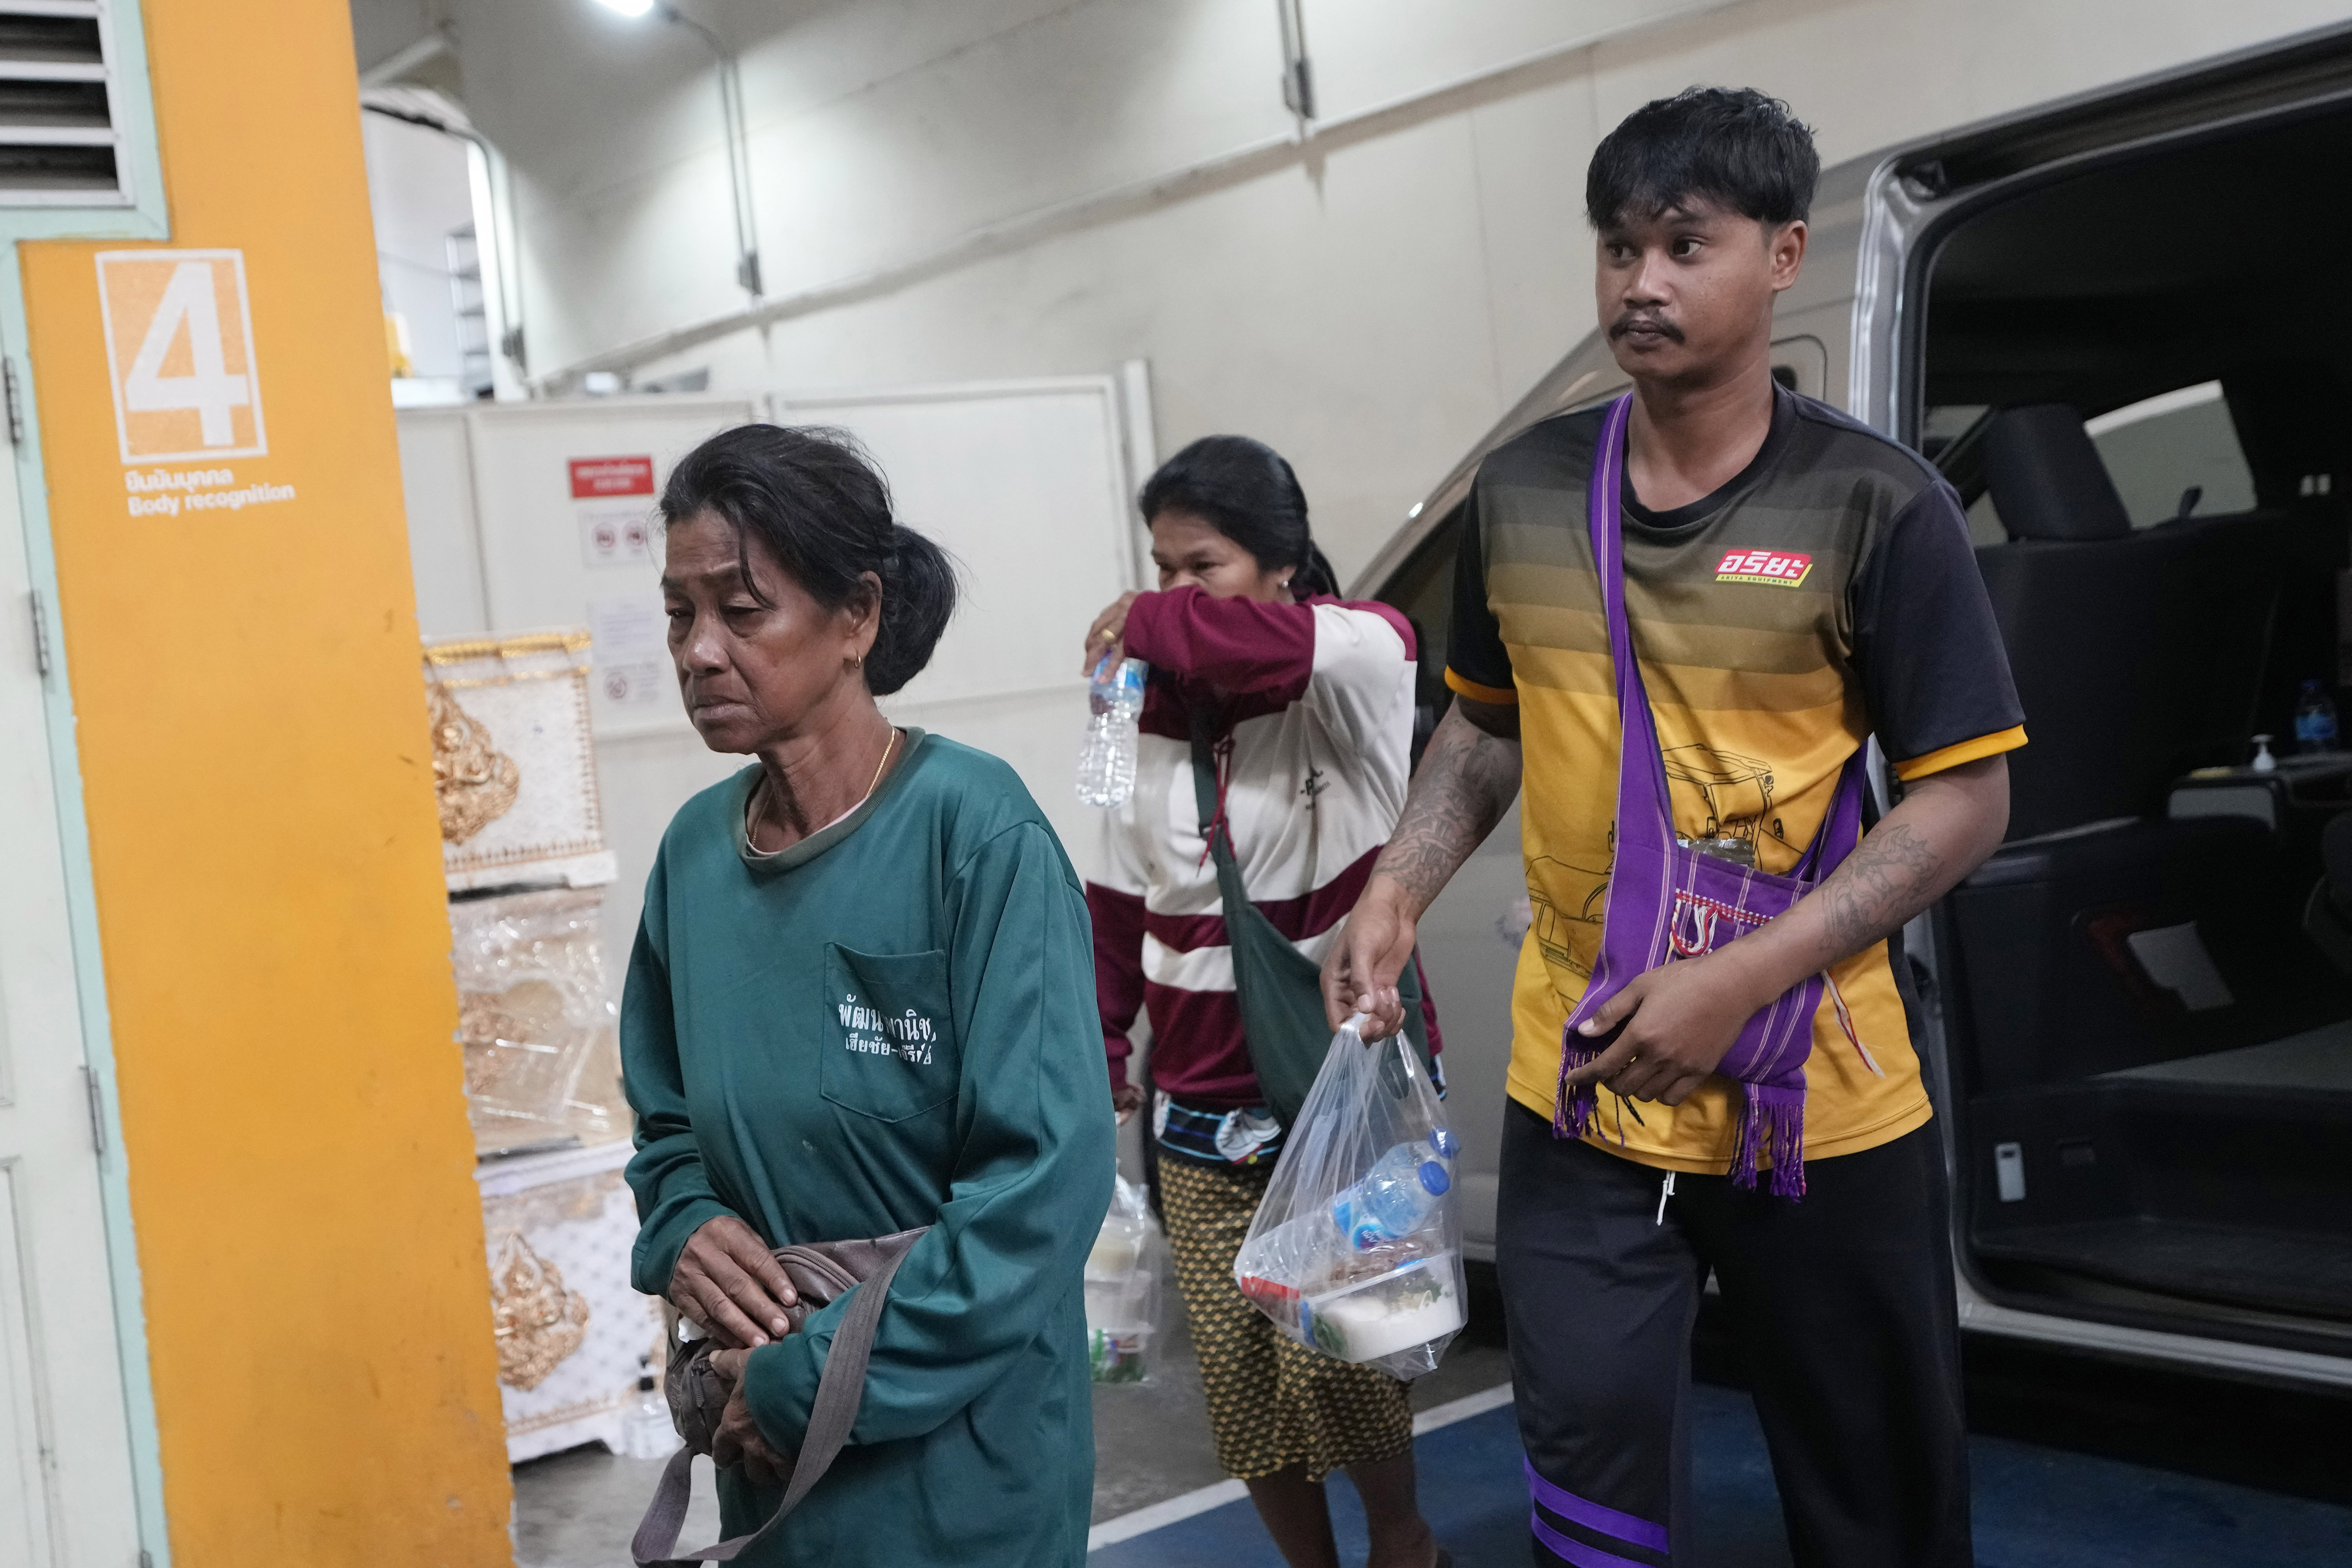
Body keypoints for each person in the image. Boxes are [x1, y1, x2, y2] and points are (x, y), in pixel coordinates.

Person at [1324, 89, 2023, 1568]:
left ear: (1780, 256)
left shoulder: (1876, 506)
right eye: (1618, 246)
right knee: (1584, 1477)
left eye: (1684, 245)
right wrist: (1399, 879)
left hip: (1815, 1099)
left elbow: (1966, 795)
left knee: (1878, 1498)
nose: (1641, 282)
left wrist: (1744, 978)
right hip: (1581, 1083)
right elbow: (1485, 723)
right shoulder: (1522, 492)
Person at [621, 424, 1112, 1567]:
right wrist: (685, 1223)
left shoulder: (974, 833)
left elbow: (1038, 1190)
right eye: (678, 614)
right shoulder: (696, 855)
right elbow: (663, 1122)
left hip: (956, 1459)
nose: (699, 651)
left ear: (858, 618)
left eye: (743, 613)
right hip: (769, 1454)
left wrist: (807, 1378)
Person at [1084, 436, 1448, 1568]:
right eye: (1158, 566)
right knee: (1245, 1391)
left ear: (1284, 565)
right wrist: (1103, 1032)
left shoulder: (1365, 655)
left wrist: (1135, 620)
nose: (1173, 593)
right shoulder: (1125, 700)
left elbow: (1219, 637)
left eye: (1204, 564)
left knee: (1340, 1352)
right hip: (1198, 1102)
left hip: (1340, 1081)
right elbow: (1107, 872)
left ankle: (1404, 1544)